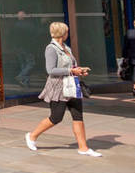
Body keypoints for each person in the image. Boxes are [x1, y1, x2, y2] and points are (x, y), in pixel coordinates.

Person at [26, 21, 102, 157]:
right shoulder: (51, 49)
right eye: (66, 31)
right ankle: (32, 136)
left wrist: (79, 71)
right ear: (62, 33)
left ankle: (83, 148)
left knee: (78, 115)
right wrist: (72, 71)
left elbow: (71, 66)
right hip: (58, 87)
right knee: (56, 117)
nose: (68, 33)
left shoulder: (66, 47)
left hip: (72, 85)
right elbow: (51, 70)